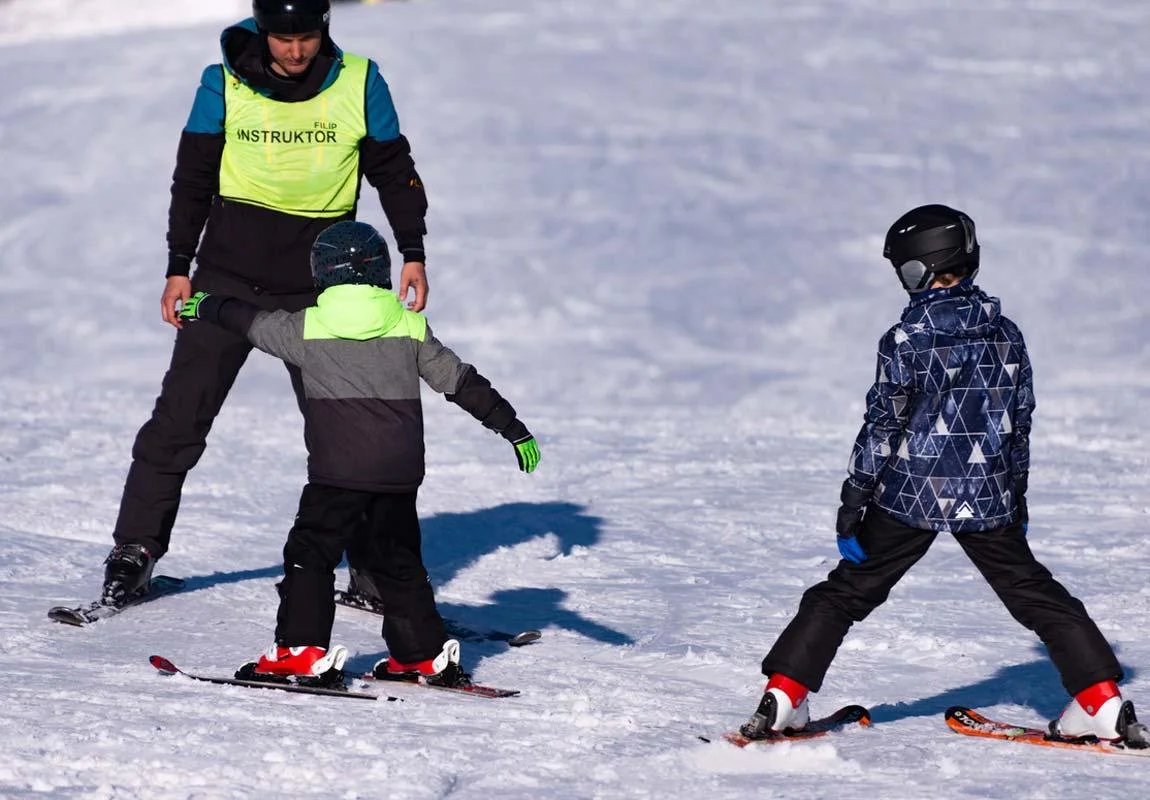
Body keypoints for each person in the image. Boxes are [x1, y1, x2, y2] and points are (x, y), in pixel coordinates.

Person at [741, 204, 1147, 745]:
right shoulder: (1007, 335)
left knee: (842, 595)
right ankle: (1102, 704)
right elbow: (1018, 424)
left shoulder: (905, 340)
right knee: (1038, 596)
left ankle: (784, 695)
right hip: (987, 496)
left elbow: (883, 425)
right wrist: (1014, 496)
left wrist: (855, 495)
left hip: (909, 496)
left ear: (921, 269)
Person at [102, 0, 431, 603]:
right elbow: (193, 177)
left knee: (351, 432)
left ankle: (374, 570)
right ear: (263, 31)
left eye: (306, 37)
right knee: (180, 418)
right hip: (226, 277)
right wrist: (179, 267)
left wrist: (412, 249)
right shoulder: (220, 81)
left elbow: (393, 167)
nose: (296, 51)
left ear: (323, 29)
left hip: (322, 289)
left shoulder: (361, 79)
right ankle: (135, 551)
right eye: (283, 39)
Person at [177, 220, 541, 684]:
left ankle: (299, 652)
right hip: (397, 474)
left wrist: (208, 303)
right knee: (397, 560)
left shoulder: (304, 328)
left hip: (338, 474)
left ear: (321, 272)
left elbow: (247, 320)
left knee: (311, 553)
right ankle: (421, 654)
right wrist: (513, 429)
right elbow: (462, 381)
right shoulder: (409, 326)